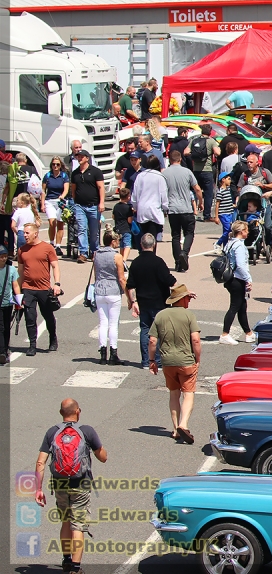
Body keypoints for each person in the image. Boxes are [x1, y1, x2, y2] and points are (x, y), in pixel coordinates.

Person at [35, 398, 107, 574]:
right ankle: (75, 568)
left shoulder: (52, 432)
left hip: (60, 484)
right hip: (80, 484)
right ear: (78, 412)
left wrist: (38, 489)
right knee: (78, 526)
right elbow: (103, 457)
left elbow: (40, 463)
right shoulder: (86, 431)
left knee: (66, 521)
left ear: (61, 413)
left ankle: (66, 560)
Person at [148, 284, 201, 443]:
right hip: (186, 360)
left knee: (174, 394)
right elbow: (195, 340)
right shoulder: (189, 315)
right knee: (188, 393)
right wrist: (197, 358)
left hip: (167, 361)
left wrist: (152, 360)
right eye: (188, 298)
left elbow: (152, 341)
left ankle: (175, 428)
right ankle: (183, 424)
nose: (189, 302)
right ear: (183, 299)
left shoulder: (160, 315)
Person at [125, 234, 175, 369]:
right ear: (154, 245)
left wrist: (133, 301)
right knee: (158, 332)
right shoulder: (158, 262)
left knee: (145, 330)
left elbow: (130, 285)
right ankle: (157, 361)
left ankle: (146, 361)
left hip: (143, 302)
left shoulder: (136, 262)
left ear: (141, 245)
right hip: (159, 303)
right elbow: (170, 280)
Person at [17, 222, 62, 356]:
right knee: (30, 317)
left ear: (35, 233)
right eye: (24, 233)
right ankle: (32, 345)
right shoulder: (21, 250)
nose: (24, 235)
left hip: (43, 289)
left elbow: (55, 266)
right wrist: (18, 292)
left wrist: (57, 284)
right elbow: (20, 272)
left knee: (48, 316)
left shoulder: (47, 248)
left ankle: (52, 338)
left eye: (27, 233)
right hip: (27, 288)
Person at [163, 150, 202, 273]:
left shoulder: (165, 173)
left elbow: (163, 191)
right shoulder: (187, 172)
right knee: (189, 233)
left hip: (173, 209)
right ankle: (184, 253)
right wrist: (201, 201)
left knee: (175, 235)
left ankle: (178, 261)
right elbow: (197, 188)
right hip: (186, 208)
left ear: (170, 160)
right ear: (180, 160)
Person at [93, 230, 125, 365]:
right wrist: (128, 295)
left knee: (103, 322)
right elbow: (121, 277)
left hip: (99, 290)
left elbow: (96, 274)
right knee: (113, 324)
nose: (118, 243)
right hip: (113, 290)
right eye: (117, 241)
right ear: (113, 242)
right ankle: (113, 353)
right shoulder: (117, 256)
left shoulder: (96, 254)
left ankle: (102, 353)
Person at [219, 220, 254, 344]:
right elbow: (240, 265)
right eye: (246, 230)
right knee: (235, 306)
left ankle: (248, 333)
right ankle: (225, 334)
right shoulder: (239, 245)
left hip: (231, 278)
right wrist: (248, 279)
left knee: (242, 306)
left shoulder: (230, 243)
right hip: (237, 279)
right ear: (241, 231)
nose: (248, 232)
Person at [68, 150, 104, 263]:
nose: (80, 158)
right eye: (78, 157)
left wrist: (101, 203)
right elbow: (73, 189)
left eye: (82, 156)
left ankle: (94, 251)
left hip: (93, 206)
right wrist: (75, 201)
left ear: (87, 158)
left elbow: (101, 188)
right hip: (80, 206)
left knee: (94, 231)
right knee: (81, 229)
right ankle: (83, 253)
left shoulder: (96, 172)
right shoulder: (75, 173)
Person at [132, 154, 168, 244]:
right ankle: (151, 255)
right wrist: (165, 208)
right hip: (155, 210)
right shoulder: (160, 177)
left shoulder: (140, 176)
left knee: (144, 237)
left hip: (142, 209)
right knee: (152, 238)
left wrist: (135, 207)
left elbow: (135, 194)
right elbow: (163, 195)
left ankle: (145, 254)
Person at [40, 157, 69, 252]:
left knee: (60, 224)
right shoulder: (48, 176)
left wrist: (62, 196)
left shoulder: (64, 176)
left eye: (57, 164)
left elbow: (66, 189)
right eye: (53, 164)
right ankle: (51, 243)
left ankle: (58, 245)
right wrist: (42, 203)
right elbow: (43, 190)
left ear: (60, 165)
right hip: (49, 201)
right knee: (52, 223)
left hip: (60, 202)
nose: (55, 166)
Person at [0, 245, 21, 364]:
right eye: (1, 257)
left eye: (5, 256)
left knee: (7, 327)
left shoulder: (11, 269)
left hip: (7, 303)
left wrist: (18, 301)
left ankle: (5, 350)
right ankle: (2, 351)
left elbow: (16, 286)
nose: (3, 259)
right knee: (1, 327)